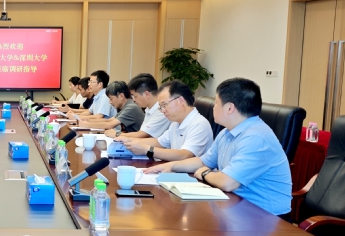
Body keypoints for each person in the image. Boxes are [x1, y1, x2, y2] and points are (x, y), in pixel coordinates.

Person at [145, 78, 292, 216]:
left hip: (265, 216)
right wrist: (171, 166)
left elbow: (227, 183)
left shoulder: (256, 138)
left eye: (216, 103)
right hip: (235, 205)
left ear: (229, 108)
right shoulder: (226, 133)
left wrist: (204, 173)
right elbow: (203, 161)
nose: (213, 107)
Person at [115, 81, 213, 161]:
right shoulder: (176, 123)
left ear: (181, 101)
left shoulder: (199, 124)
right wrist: (129, 140)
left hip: (192, 177)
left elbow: (184, 155)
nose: (163, 110)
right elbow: (159, 142)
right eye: (161, 107)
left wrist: (147, 149)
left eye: (164, 105)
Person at [111, 73, 170, 139]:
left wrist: (117, 134)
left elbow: (142, 135)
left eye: (135, 96)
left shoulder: (161, 111)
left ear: (146, 94)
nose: (133, 100)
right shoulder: (149, 109)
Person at [79, 81, 144, 133]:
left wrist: (87, 125)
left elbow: (110, 124)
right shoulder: (125, 106)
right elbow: (109, 120)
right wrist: (88, 121)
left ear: (121, 96)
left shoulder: (131, 108)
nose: (110, 102)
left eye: (111, 99)